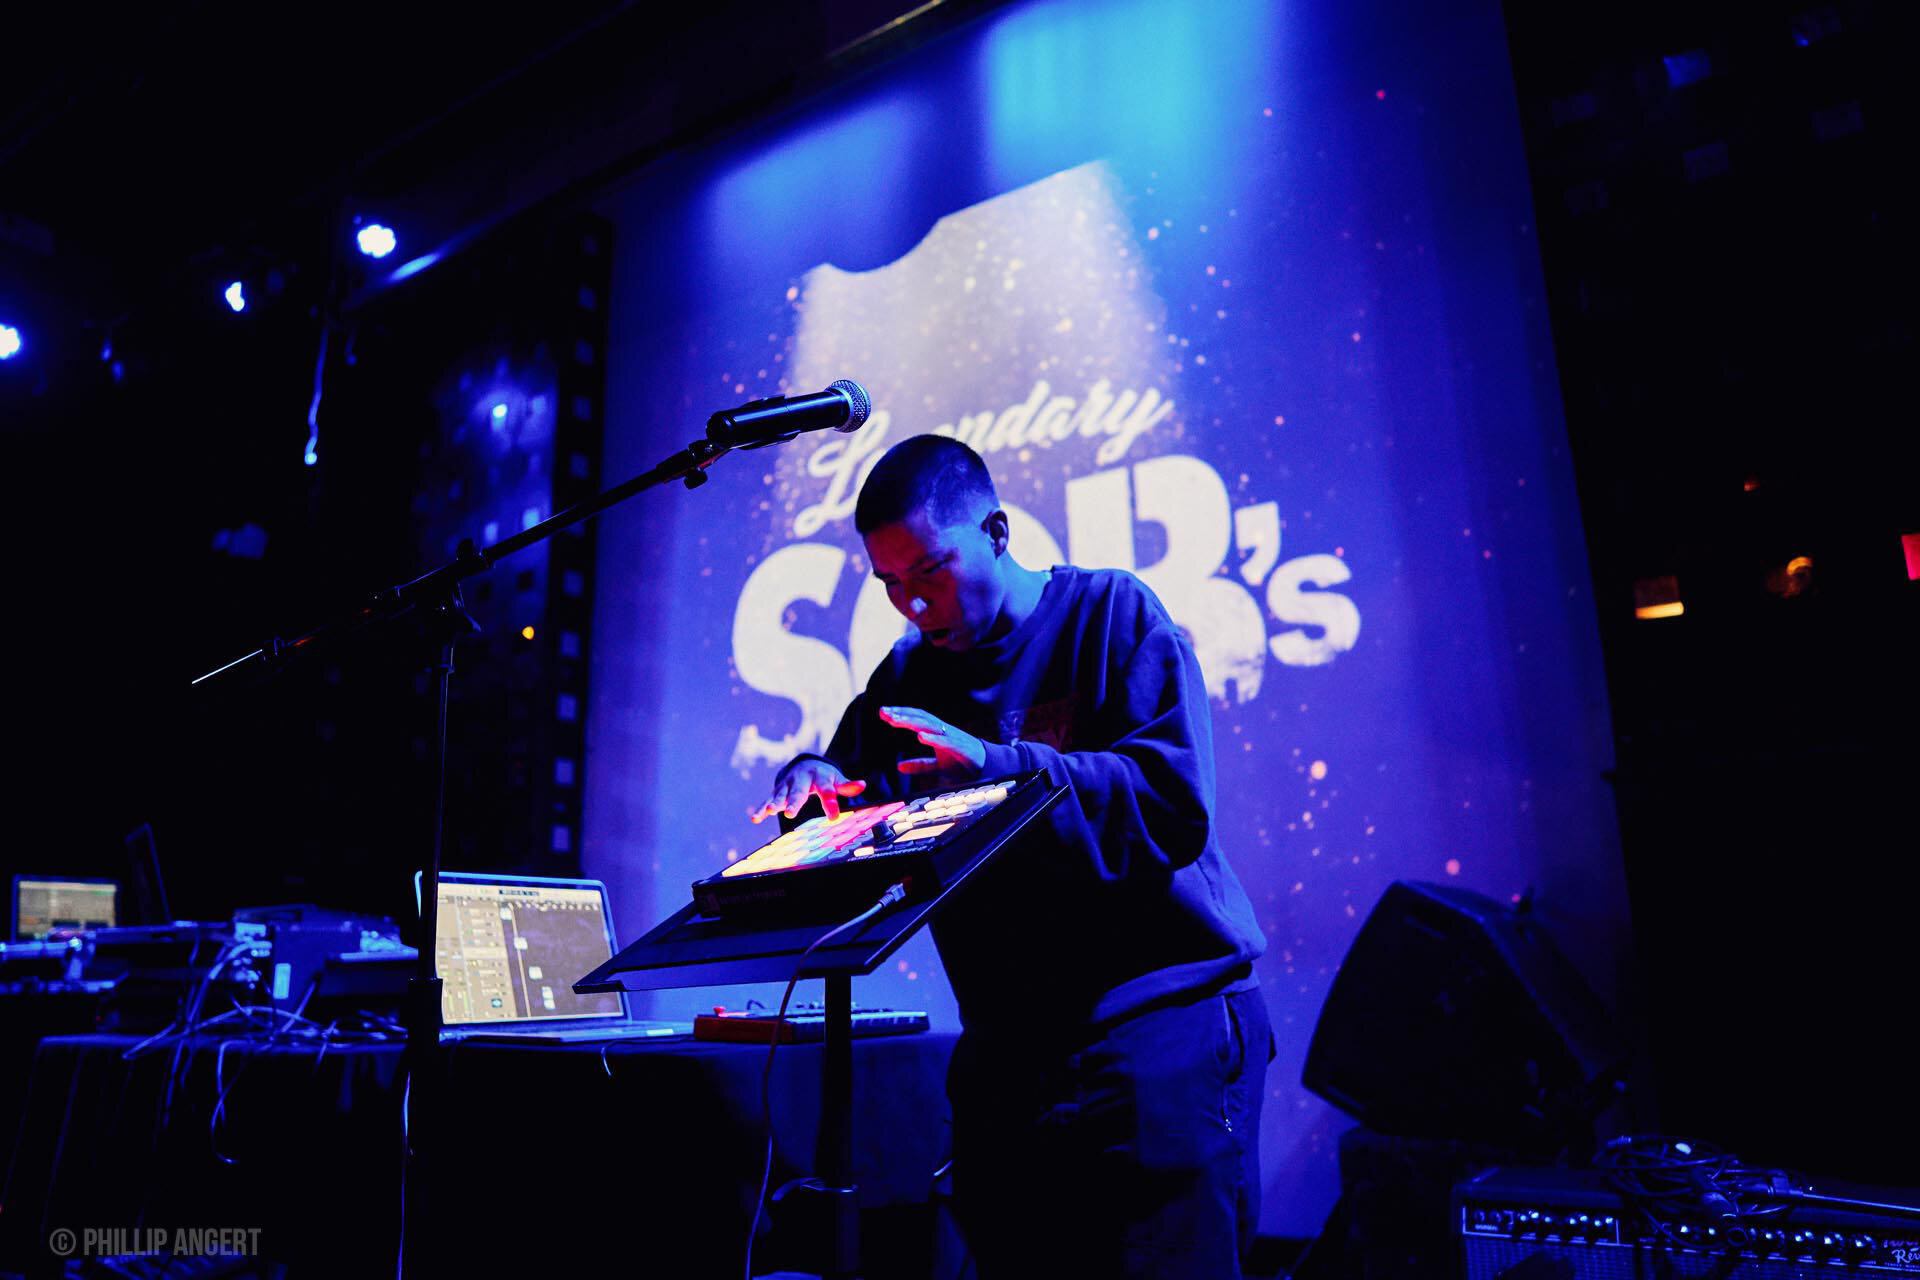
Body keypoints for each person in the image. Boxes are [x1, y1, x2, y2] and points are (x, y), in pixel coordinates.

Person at [751, 435, 1271, 1278]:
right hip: (1008, 1057)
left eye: (930, 570)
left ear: (996, 532)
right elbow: (843, 793)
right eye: (889, 584)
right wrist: (811, 781)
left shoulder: (1113, 615)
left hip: (1156, 1032)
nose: (913, 604)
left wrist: (997, 769)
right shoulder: (904, 677)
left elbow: (1171, 806)